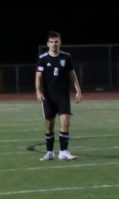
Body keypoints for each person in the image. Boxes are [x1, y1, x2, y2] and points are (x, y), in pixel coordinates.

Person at [35, 31, 82, 161]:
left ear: (60, 42)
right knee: (49, 124)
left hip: (63, 96)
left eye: (56, 41)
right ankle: (49, 152)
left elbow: (72, 74)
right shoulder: (43, 58)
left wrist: (78, 90)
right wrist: (38, 92)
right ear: (47, 44)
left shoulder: (67, 57)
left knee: (65, 122)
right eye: (51, 42)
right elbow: (38, 77)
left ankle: (63, 152)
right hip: (48, 97)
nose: (54, 44)